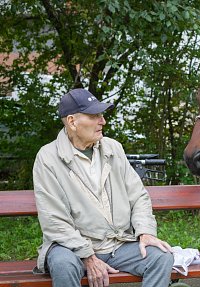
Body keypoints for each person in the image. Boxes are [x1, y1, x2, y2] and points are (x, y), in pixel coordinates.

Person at [32, 88, 174, 287]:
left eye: (102, 115)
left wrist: (145, 232)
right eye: (94, 116)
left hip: (117, 245)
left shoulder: (113, 148)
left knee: (161, 257)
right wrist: (88, 256)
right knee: (62, 263)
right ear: (72, 122)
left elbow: (138, 196)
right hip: (71, 249)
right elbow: (54, 220)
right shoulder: (48, 158)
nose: (103, 121)